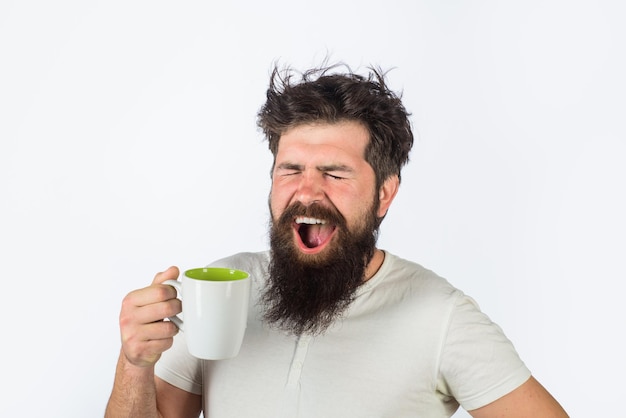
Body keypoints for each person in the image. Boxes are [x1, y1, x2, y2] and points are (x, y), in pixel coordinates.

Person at [105, 63, 569, 418]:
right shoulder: (219, 289)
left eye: (334, 172)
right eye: (291, 170)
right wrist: (135, 363)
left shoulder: (441, 316)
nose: (307, 191)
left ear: (384, 194)